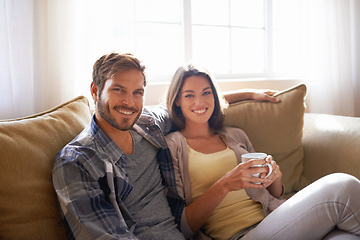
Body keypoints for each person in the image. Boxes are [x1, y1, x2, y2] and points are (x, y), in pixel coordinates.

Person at [52, 52, 280, 240]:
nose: (129, 103)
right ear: (95, 90)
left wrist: (248, 94)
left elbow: (193, 104)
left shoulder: (148, 123)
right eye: (118, 89)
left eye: (138, 92)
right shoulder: (77, 162)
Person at [165, 64, 360, 240]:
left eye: (206, 93)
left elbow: (273, 195)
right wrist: (225, 184)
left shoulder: (235, 135)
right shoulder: (172, 146)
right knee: (343, 186)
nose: (200, 102)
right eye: (189, 95)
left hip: (275, 219)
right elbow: (182, 226)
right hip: (240, 235)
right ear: (177, 101)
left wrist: (274, 180)